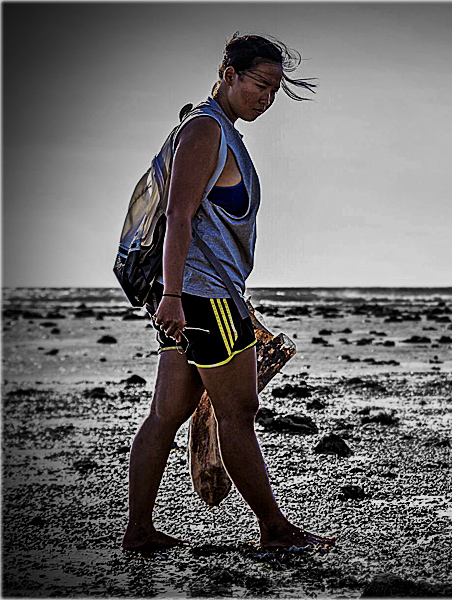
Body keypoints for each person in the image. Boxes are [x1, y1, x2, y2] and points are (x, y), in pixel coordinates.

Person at [122, 33, 336, 552]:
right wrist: (173, 294)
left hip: (197, 296)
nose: (265, 97)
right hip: (202, 296)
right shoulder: (205, 130)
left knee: (167, 413)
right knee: (239, 414)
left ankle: (140, 530)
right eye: (259, 84)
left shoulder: (217, 131)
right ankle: (275, 530)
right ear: (229, 72)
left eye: (274, 90)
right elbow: (178, 215)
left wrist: (178, 297)